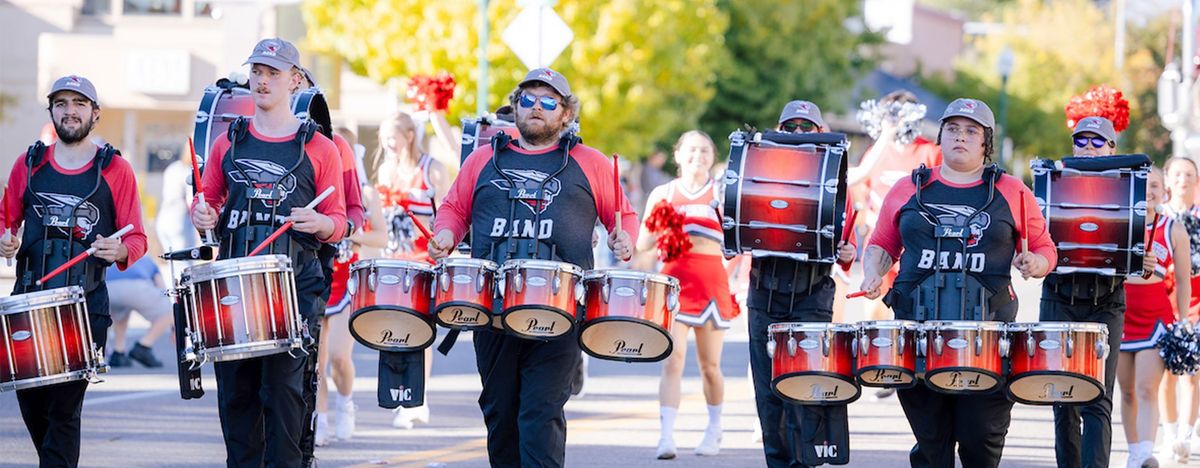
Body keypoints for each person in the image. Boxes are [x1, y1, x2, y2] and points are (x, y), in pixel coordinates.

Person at [429, 67, 637, 466]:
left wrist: (623, 237)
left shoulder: (589, 162)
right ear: (515, 106)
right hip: (492, 311)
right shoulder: (482, 159)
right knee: (500, 413)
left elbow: (622, 216)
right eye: (527, 100)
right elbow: (455, 208)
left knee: (539, 415)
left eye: (548, 102)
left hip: (559, 312)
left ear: (566, 114)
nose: (535, 108)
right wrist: (446, 235)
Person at [860, 98, 1055, 468]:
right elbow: (882, 244)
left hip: (988, 340)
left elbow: (1045, 247)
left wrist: (1036, 261)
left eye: (971, 131)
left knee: (980, 442)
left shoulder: (1012, 191)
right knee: (932, 445)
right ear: (941, 137)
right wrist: (873, 271)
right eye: (952, 129)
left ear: (986, 142)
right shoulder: (907, 188)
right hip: (917, 337)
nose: (960, 137)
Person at [191, 38, 347, 466]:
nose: (262, 81)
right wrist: (203, 213)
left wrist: (322, 224)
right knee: (237, 404)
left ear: (295, 81)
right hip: (234, 289)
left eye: (273, 73)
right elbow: (209, 200)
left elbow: (340, 222)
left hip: (294, 291)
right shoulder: (228, 140)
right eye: (257, 72)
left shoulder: (319, 147)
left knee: (283, 401)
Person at [0, 74, 148, 466]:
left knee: (64, 411)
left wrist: (118, 249)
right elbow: (6, 220)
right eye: (62, 103)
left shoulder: (115, 169)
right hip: (29, 303)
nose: (70, 111)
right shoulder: (28, 164)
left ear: (95, 113)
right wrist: (5, 239)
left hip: (84, 308)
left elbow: (137, 239)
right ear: (51, 111)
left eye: (79, 104)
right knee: (34, 407)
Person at [746, 100, 856, 467]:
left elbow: (846, 246)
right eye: (789, 127)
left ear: (821, 133)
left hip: (813, 293)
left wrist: (847, 249)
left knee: (804, 388)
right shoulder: (756, 171)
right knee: (768, 394)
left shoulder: (836, 177)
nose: (796, 135)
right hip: (764, 291)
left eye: (806, 128)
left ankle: (805, 462)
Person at [1037, 116, 1130, 468]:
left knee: (1098, 399)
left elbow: (1133, 246)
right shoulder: (1052, 182)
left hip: (1107, 301)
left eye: (1097, 141)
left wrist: (1143, 261)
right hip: (1059, 297)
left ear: (1112, 148)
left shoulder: (1129, 186)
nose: (1088, 147)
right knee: (1063, 394)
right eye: (1082, 141)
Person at [636, 130, 736, 458]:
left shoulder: (721, 193)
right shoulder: (663, 193)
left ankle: (715, 428)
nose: (698, 155)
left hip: (711, 285)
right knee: (673, 359)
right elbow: (643, 246)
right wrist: (661, 229)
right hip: (673, 286)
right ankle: (666, 436)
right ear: (678, 155)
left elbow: (736, 247)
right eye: (691, 150)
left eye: (705, 150)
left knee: (709, 365)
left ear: (713, 155)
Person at [294, 66, 366, 466]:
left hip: (320, 271)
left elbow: (355, 209)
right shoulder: (243, 136)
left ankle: (320, 424)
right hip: (265, 278)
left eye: (298, 85)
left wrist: (336, 227)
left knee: (321, 360)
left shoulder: (334, 144)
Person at [372, 110, 452, 429]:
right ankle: (398, 393)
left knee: (420, 330)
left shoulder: (432, 170)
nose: (388, 144)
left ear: (409, 135)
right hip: (393, 261)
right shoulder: (384, 171)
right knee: (393, 329)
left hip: (423, 262)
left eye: (392, 137)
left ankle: (418, 397)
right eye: (384, 139)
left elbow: (446, 214)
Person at [313, 126, 385, 446]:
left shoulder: (365, 193)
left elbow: (380, 237)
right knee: (316, 361)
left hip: (347, 281)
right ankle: (321, 419)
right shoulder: (316, 188)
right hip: (318, 278)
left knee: (341, 356)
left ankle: (346, 404)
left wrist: (347, 232)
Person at [849, 90, 942, 328]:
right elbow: (860, 200)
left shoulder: (930, 152)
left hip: (918, 246)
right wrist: (872, 220)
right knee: (875, 318)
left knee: (916, 320)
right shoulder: (876, 153)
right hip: (881, 244)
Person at [1119, 165, 1190, 468]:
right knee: (1127, 390)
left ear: (1164, 192)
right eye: (1143, 185)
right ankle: (1134, 451)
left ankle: (1146, 454)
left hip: (1155, 315)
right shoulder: (1119, 222)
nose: (1149, 191)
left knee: (1148, 386)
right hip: (1120, 312)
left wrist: (1183, 321)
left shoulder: (1173, 227)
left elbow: (1185, 280)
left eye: (1156, 186)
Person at [1159, 156, 1200, 463]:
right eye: (1177, 174)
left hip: (1197, 298)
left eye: (1189, 175)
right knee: (1164, 374)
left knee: (1192, 371)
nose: (1183, 180)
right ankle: (1170, 434)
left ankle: (1186, 436)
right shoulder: (1159, 218)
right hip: (1161, 298)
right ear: (1167, 180)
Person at [106, 255, 171, 368]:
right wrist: (174, 328)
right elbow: (162, 288)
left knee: (123, 311)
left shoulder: (113, 253)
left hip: (108, 288)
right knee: (169, 311)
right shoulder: (146, 258)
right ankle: (144, 346)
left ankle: (118, 352)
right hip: (136, 286)